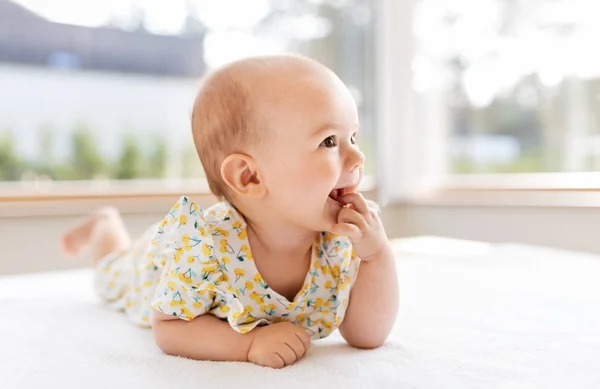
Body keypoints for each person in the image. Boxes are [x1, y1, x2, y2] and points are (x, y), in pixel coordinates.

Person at [61, 54, 399, 369]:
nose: (358, 157)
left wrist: (376, 256)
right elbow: (170, 327)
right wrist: (250, 344)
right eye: (329, 141)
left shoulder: (339, 239)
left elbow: (366, 335)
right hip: (153, 266)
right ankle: (104, 224)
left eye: (353, 137)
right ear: (249, 176)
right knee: (111, 273)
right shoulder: (203, 246)